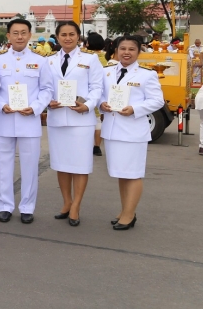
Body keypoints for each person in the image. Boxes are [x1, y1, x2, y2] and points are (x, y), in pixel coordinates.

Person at [99, 35, 164, 230]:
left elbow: (157, 101)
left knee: (133, 174)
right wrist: (101, 104)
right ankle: (125, 210)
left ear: (138, 52)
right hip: (112, 130)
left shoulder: (146, 75)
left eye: (131, 49)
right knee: (121, 173)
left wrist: (134, 109)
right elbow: (99, 94)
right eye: (123, 48)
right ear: (116, 50)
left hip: (132, 132)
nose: (126, 52)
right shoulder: (106, 72)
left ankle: (129, 214)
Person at [0, 19, 54, 223]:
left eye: (23, 33)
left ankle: (27, 206)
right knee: (4, 166)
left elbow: (47, 89)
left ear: (29, 35)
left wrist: (36, 107)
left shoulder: (40, 60)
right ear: (8, 36)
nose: (19, 37)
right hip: (5, 119)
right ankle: (5, 206)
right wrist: (1, 105)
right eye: (15, 33)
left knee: (30, 166)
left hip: (29, 121)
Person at [46, 20, 103, 226]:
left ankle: (76, 205)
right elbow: (45, 87)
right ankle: (66, 202)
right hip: (57, 118)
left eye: (72, 34)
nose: (68, 38)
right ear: (57, 37)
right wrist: (48, 102)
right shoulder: (49, 60)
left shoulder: (90, 59)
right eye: (63, 34)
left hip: (81, 120)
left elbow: (97, 87)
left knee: (80, 165)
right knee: (61, 164)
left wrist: (87, 105)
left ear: (78, 36)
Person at [86, 32, 108, 157]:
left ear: (88, 43)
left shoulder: (87, 57)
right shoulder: (105, 58)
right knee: (98, 119)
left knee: (89, 118)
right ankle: (97, 147)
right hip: (103, 92)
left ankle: (88, 144)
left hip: (89, 91)